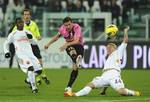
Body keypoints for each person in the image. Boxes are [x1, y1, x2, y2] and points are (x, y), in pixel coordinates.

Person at [64, 26, 141, 97]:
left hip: (114, 75)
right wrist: (104, 91)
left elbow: (126, 40)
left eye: (110, 46)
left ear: (115, 48)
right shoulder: (108, 59)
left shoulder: (118, 52)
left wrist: (125, 31)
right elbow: (107, 79)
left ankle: (135, 93)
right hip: (104, 76)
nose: (108, 47)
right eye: (107, 47)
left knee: (121, 92)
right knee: (90, 84)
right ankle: (75, 94)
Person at [44, 16, 84, 95]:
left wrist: (66, 44)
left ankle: (77, 60)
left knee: (75, 67)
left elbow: (76, 41)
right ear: (63, 25)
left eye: (69, 24)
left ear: (72, 23)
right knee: (71, 51)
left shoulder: (77, 27)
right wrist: (48, 44)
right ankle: (69, 87)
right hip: (70, 46)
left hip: (79, 45)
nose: (68, 26)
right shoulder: (62, 29)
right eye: (66, 25)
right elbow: (56, 37)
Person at [4, 18, 42, 94]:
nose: (21, 24)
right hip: (21, 55)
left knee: (39, 71)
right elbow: (5, 43)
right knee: (30, 68)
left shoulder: (27, 32)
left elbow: (35, 43)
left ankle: (28, 80)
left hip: (30, 54)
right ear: (16, 24)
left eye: (22, 22)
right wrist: (6, 52)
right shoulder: (13, 34)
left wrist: (31, 39)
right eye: (19, 22)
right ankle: (34, 87)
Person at [12, 9, 49, 85]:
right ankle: (38, 78)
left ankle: (34, 78)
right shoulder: (19, 25)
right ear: (23, 16)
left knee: (40, 62)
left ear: (30, 15)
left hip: (33, 45)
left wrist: (38, 37)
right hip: (25, 47)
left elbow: (37, 33)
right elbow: (13, 34)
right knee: (31, 64)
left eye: (28, 14)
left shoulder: (34, 24)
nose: (26, 16)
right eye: (25, 14)